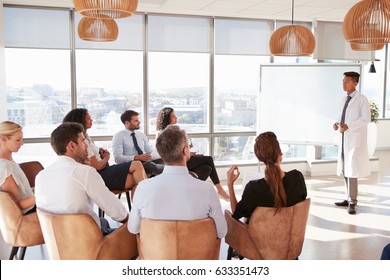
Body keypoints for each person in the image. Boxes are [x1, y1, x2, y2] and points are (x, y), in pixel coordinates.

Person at [128, 125, 227, 239]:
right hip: (196, 254)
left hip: (157, 254)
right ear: (185, 150)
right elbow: (222, 232)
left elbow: (133, 228)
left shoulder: (143, 187)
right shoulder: (207, 189)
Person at [35, 122, 128, 235]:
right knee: (138, 233)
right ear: (72, 146)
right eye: (83, 141)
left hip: (58, 242)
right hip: (87, 241)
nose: (87, 146)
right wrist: (133, 221)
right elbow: (117, 212)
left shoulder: (41, 176)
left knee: (103, 222)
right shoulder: (85, 172)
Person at [226, 131, 307, 223]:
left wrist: (230, 184)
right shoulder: (297, 178)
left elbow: (236, 213)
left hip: (260, 237)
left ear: (260, 158)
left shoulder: (254, 189)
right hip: (290, 236)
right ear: (280, 153)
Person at [63, 108, 146, 192]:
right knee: (137, 165)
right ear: (80, 120)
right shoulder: (83, 142)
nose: (91, 120)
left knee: (138, 179)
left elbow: (93, 155)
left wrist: (99, 150)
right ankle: (146, 201)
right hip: (100, 174)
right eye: (88, 118)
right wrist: (106, 158)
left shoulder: (86, 137)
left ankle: (143, 203)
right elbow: (97, 166)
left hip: (104, 171)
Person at [155, 107, 230, 201]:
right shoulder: (162, 134)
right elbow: (169, 152)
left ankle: (193, 192)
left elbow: (178, 148)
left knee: (207, 168)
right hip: (175, 161)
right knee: (209, 159)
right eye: (173, 116)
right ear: (167, 118)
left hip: (183, 156)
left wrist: (188, 149)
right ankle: (220, 190)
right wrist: (187, 153)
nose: (176, 118)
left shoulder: (174, 131)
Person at [333, 71, 371, 215]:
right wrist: (337, 123)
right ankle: (347, 197)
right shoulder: (344, 99)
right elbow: (341, 115)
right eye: (343, 81)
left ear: (355, 83)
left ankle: (353, 202)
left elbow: (365, 119)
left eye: (347, 81)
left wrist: (350, 126)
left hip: (354, 139)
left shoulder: (362, 99)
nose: (343, 84)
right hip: (344, 138)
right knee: (344, 167)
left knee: (352, 170)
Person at [112, 110, 164, 177]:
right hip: (132, 164)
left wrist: (158, 155)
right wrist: (136, 157)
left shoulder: (141, 135)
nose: (139, 122)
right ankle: (171, 172)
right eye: (136, 121)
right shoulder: (118, 136)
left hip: (146, 161)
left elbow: (149, 151)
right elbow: (118, 159)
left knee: (163, 162)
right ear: (127, 123)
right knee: (150, 166)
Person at [0, 121, 36, 215]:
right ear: (3, 139)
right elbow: (15, 205)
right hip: (28, 215)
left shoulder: (9, 162)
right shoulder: (4, 167)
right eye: (18, 140)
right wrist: (43, 197)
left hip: (32, 209)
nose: (22, 143)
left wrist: (40, 189)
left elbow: (23, 193)